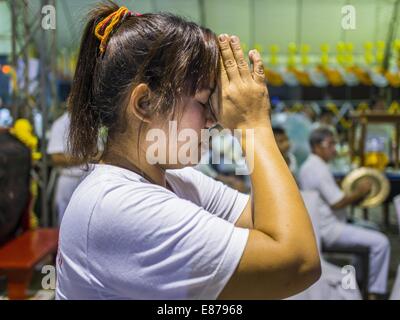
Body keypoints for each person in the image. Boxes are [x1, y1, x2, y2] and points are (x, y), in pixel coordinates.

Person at [56, 3, 320, 300]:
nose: (214, 118)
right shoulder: (116, 207)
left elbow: (273, 224)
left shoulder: (175, 182)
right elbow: (298, 263)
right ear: (144, 104)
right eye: (203, 100)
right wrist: (253, 125)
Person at [299, 127, 390, 298]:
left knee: (373, 229)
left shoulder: (314, 165)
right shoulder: (315, 168)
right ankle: (374, 292)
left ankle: (361, 282)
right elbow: (337, 202)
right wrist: (361, 191)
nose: (334, 149)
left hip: (330, 224)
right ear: (317, 147)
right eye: (330, 144)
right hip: (329, 230)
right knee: (381, 242)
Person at [47, 111, 85, 223]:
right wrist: (87, 157)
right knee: (64, 222)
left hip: (89, 179)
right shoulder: (60, 124)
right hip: (69, 179)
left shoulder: (90, 123)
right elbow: (56, 158)